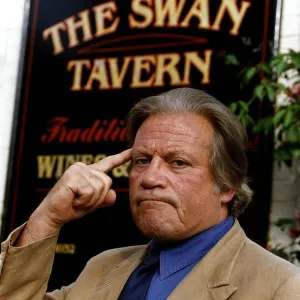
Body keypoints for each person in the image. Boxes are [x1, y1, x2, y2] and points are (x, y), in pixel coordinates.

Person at [0, 87, 299, 300]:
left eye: (178, 162)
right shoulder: (102, 268)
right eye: (141, 160)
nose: (150, 177)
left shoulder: (281, 287)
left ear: (227, 185)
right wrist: (47, 218)